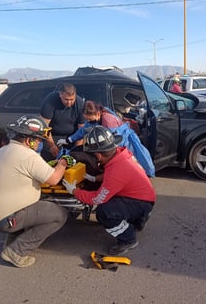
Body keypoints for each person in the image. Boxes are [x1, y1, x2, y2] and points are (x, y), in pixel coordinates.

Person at [0, 115, 70, 268]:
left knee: (37, 205)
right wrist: (64, 162)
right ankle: (16, 251)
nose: (39, 143)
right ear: (29, 140)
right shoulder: (27, 156)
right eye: (39, 140)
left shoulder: (4, 150)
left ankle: (12, 240)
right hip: (5, 218)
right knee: (58, 215)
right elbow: (54, 179)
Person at [62, 126, 156, 255]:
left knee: (104, 212)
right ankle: (138, 219)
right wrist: (95, 178)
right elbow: (113, 175)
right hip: (144, 197)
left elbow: (97, 198)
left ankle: (128, 239)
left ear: (98, 154)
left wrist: (74, 191)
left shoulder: (116, 171)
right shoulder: (122, 154)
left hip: (140, 202)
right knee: (112, 202)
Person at [64, 100, 155, 178]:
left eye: (89, 118)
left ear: (97, 113)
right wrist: (70, 139)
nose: (88, 120)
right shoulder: (94, 119)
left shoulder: (108, 120)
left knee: (131, 166)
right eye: (87, 119)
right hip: (114, 142)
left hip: (123, 143)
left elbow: (111, 143)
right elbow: (84, 129)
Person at [40, 83, 85, 161]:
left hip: (72, 136)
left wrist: (77, 150)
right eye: (66, 99)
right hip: (52, 136)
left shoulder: (80, 103)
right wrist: (51, 146)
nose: (69, 103)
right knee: (50, 159)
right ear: (60, 94)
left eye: (72, 99)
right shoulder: (51, 100)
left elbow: (81, 130)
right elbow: (44, 126)